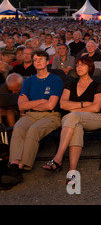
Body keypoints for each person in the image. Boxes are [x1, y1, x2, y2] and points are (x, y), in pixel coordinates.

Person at [2, 51, 63, 185]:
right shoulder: (28, 80)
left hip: (51, 115)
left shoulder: (55, 80)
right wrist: (41, 101)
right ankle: (13, 163)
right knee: (18, 128)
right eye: (35, 60)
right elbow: (20, 105)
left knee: (33, 130)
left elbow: (51, 105)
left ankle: (20, 166)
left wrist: (31, 104)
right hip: (30, 114)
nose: (38, 62)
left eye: (41, 59)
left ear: (48, 62)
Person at [42, 57, 101, 186]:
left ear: (90, 67)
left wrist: (75, 107)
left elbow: (96, 107)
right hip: (72, 120)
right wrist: (84, 104)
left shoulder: (97, 86)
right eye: (77, 65)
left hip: (95, 118)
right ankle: (72, 172)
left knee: (73, 116)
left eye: (82, 65)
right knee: (76, 127)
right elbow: (63, 104)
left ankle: (58, 158)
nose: (79, 67)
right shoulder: (70, 84)